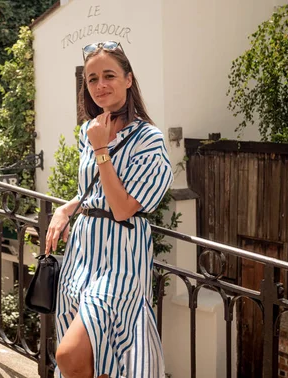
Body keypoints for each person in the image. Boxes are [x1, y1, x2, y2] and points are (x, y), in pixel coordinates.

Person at [45, 41, 174, 378]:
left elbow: (122, 208)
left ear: (128, 79)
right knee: (99, 357)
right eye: (91, 79)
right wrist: (66, 209)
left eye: (109, 76)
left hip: (121, 258)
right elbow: (95, 192)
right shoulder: (88, 130)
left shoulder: (149, 139)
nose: (100, 85)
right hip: (82, 253)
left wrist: (101, 148)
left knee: (69, 354)